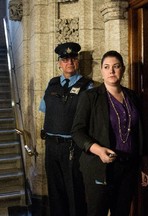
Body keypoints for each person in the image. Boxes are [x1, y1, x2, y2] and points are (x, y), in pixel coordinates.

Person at [71, 50, 148, 216]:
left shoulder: (133, 96)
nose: (111, 71)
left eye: (116, 66)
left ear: (123, 69)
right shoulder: (90, 97)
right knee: (97, 212)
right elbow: (77, 131)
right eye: (106, 67)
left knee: (121, 212)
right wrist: (98, 150)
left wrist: (144, 164)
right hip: (99, 166)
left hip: (128, 167)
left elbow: (139, 133)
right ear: (101, 70)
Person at [39, 42, 94, 216]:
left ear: (78, 61)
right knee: (55, 192)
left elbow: (90, 119)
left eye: (73, 58)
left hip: (73, 147)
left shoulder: (88, 86)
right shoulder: (52, 84)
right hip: (51, 147)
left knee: (75, 192)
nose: (69, 62)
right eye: (64, 59)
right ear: (59, 63)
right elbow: (45, 109)